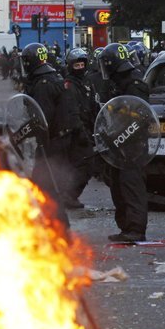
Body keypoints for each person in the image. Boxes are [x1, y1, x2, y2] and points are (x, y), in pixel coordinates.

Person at [100, 44, 151, 243]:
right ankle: (126, 227)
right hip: (118, 143)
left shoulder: (134, 84)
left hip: (133, 144)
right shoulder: (118, 82)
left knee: (132, 185)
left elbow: (140, 116)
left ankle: (136, 228)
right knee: (119, 186)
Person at [20, 42, 70, 227]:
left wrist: (21, 134)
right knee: (46, 183)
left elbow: (41, 118)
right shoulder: (53, 77)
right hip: (59, 140)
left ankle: (59, 226)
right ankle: (51, 223)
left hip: (51, 142)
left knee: (46, 185)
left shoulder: (42, 84)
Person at [61, 47, 100, 210]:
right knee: (86, 165)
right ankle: (69, 195)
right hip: (77, 131)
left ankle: (68, 194)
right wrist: (81, 132)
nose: (80, 68)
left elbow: (93, 104)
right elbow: (72, 111)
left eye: (82, 65)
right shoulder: (69, 85)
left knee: (81, 164)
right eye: (76, 65)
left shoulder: (86, 82)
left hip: (88, 127)